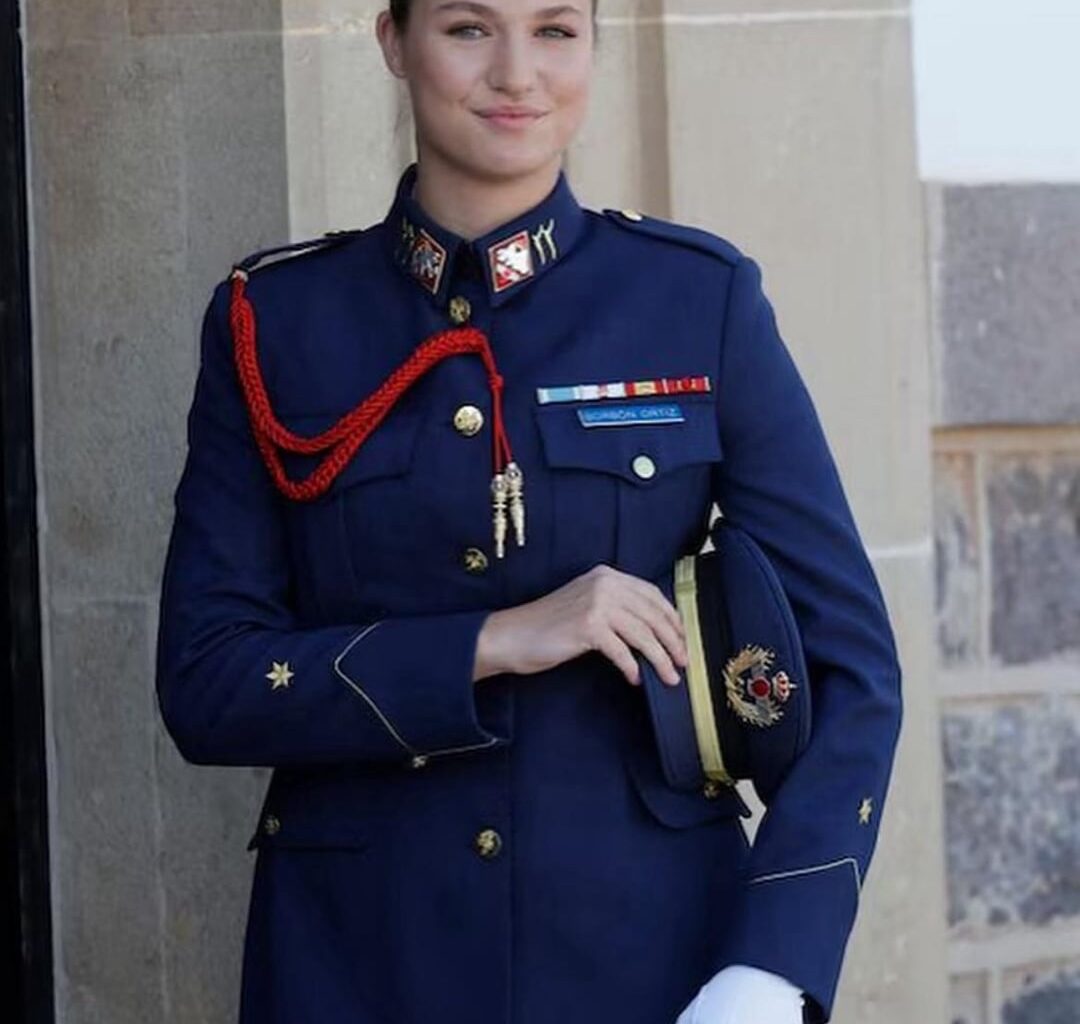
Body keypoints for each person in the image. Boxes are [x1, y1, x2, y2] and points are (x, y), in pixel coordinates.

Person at [154, 1, 904, 1022]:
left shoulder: (696, 302)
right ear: (392, 42)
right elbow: (207, 679)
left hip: (652, 961)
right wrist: (494, 640)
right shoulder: (275, 321)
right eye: (469, 28)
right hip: (357, 963)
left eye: (556, 30)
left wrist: (773, 964)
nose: (518, 72)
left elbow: (853, 672)